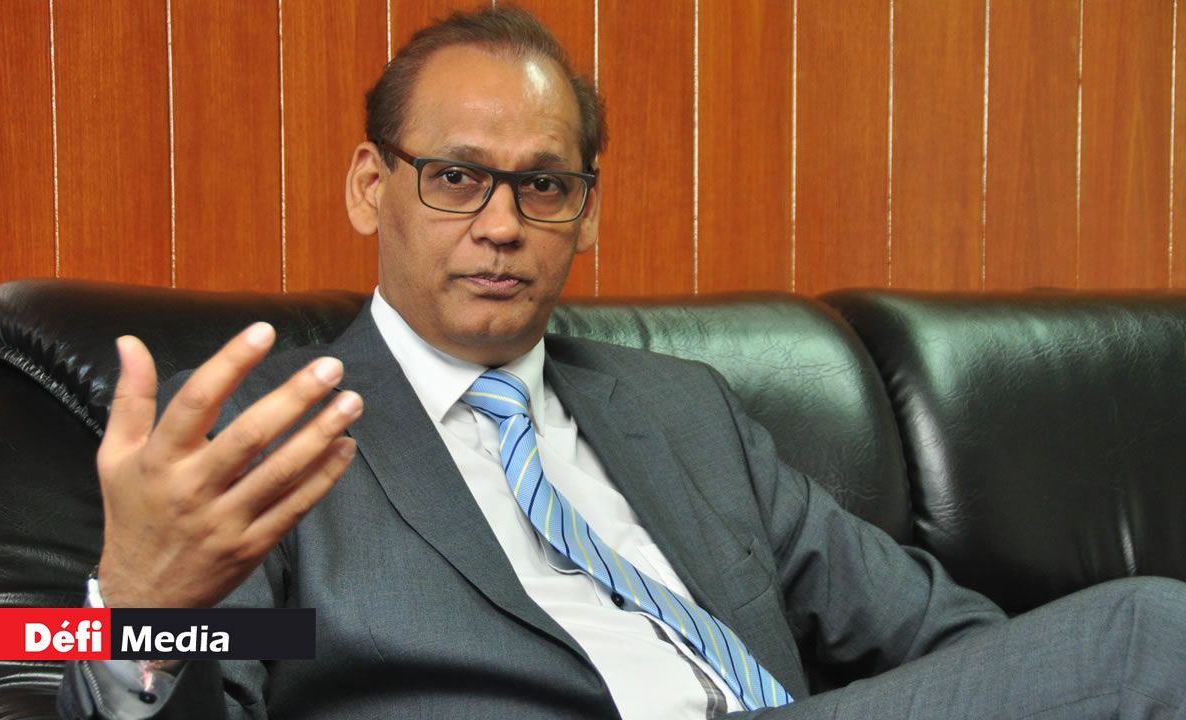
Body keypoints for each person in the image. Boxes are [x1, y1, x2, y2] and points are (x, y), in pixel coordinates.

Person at [60, 7, 1186, 719]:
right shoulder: (257, 434)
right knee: (1149, 630)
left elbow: (946, 639)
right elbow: (59, 664)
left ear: (585, 214)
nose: (501, 225)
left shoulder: (682, 411)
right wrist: (135, 612)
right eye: (455, 177)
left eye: (543, 186)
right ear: (371, 187)